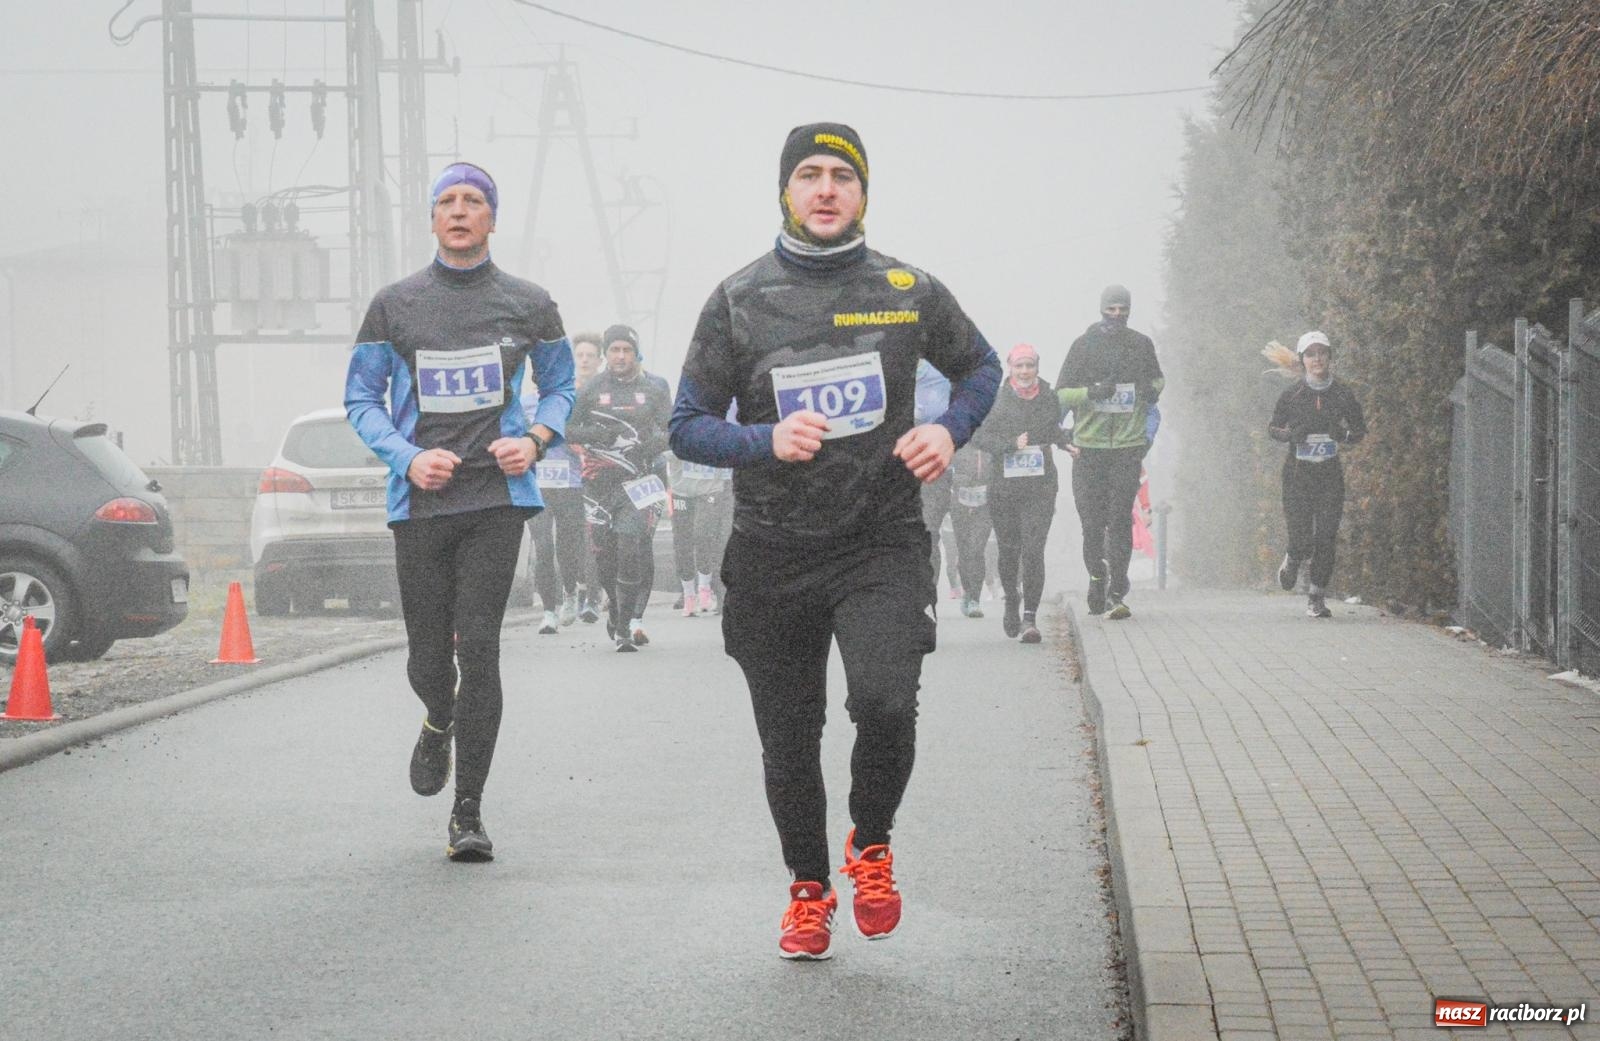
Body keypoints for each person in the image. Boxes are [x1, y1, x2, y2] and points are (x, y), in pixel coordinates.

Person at [669, 122, 1001, 960]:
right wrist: (763, 441)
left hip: (880, 541)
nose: (825, 189)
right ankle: (809, 889)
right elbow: (685, 425)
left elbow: (982, 367)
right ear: (785, 190)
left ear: (863, 193)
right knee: (790, 736)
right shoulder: (740, 297)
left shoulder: (906, 288)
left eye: (842, 176)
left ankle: (872, 844)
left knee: (885, 701)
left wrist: (950, 431)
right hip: (774, 550)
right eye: (809, 175)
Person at [344, 161, 574, 861]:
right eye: (447, 200)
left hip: (495, 500)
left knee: (480, 646)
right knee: (427, 659)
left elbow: (562, 385)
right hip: (421, 501)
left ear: (492, 218)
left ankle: (467, 812)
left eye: (474, 200)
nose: (460, 210)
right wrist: (407, 456)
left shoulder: (529, 303)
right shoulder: (396, 305)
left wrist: (533, 438)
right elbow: (361, 400)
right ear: (433, 219)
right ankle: (436, 716)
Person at [1056, 284, 1164, 620]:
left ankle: (1118, 590)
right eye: (1112, 309)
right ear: (1101, 309)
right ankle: (1096, 577)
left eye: (1123, 309)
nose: (1117, 314)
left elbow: (1158, 383)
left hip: (1127, 448)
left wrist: (1149, 390)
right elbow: (1060, 395)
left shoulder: (1141, 345)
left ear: (1129, 311)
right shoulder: (1082, 346)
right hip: (1090, 449)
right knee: (1092, 524)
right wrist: (1090, 393)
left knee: (1119, 522)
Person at [567, 323, 672, 651]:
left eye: (627, 350)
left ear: (636, 353)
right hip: (598, 485)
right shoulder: (591, 389)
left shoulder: (654, 388)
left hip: (638, 483)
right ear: (606, 354)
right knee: (604, 557)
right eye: (615, 350)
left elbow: (673, 430)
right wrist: (598, 436)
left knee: (631, 546)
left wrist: (650, 445)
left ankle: (625, 625)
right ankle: (614, 604)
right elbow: (567, 429)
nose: (621, 356)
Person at [972, 343, 1069, 643]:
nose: (1025, 372)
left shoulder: (1050, 397)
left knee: (1033, 549)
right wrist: (1010, 444)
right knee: (1010, 551)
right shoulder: (997, 400)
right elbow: (979, 436)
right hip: (1005, 489)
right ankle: (1012, 600)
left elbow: (1052, 430)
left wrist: (1066, 440)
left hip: (1040, 488)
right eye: (1019, 366)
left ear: (1037, 368)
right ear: (1011, 369)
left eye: (1030, 366)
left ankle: (1030, 618)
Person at [1268, 330, 1366, 617]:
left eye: (1322, 352)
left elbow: (1359, 431)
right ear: (1302, 360)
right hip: (1298, 476)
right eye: (1311, 354)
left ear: (1330, 356)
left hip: (1329, 477)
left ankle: (1316, 598)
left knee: (1326, 536)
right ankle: (1293, 558)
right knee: (1301, 539)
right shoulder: (1292, 394)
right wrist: (1291, 435)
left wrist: (1343, 435)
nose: (1317, 359)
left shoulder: (1342, 394)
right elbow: (1273, 428)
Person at [521, 378, 587, 633]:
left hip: (570, 483)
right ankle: (548, 611)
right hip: (537, 484)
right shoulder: (524, 403)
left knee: (567, 549)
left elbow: (584, 435)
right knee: (544, 548)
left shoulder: (570, 402)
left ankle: (570, 592)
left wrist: (574, 440)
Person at [665, 451, 732, 616]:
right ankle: (688, 595)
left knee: (704, 536)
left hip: (710, 490)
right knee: (682, 542)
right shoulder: (678, 430)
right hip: (680, 491)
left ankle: (705, 588)